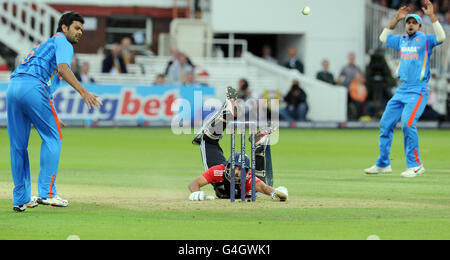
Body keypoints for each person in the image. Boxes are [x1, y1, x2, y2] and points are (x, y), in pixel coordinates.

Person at [7, 12, 103, 212]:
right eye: (76, 28)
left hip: (13, 87)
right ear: (64, 28)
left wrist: (54, 117)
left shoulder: (44, 46)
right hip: (32, 87)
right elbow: (62, 68)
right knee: (53, 138)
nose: (80, 32)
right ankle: (47, 193)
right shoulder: (63, 43)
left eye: (82, 29)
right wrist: (83, 92)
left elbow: (46, 90)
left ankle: (21, 198)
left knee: (18, 146)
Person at [365, 1, 446, 178]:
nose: (410, 25)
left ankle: (416, 165)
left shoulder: (425, 39)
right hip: (402, 90)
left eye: (413, 22)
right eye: (408, 22)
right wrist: (395, 19)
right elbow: (383, 38)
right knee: (385, 124)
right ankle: (383, 163)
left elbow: (441, 37)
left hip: (418, 90)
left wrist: (432, 16)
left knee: (408, 124)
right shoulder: (401, 40)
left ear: (419, 25)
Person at [188, 87, 287, 202]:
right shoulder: (218, 171)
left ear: (247, 171)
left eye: (241, 170)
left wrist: (275, 193)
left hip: (250, 191)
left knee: (265, 183)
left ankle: (230, 118)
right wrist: (196, 193)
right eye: (234, 167)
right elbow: (193, 184)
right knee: (207, 140)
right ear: (227, 166)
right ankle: (255, 141)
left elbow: (264, 188)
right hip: (232, 186)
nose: (236, 172)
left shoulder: (249, 178)